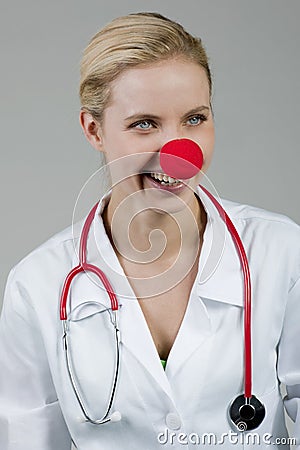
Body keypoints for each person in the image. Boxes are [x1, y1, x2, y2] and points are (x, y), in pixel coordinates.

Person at [0, 12, 299, 450]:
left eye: (195, 119)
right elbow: (27, 439)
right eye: (145, 124)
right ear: (94, 129)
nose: (179, 152)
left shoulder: (281, 250)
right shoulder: (37, 284)